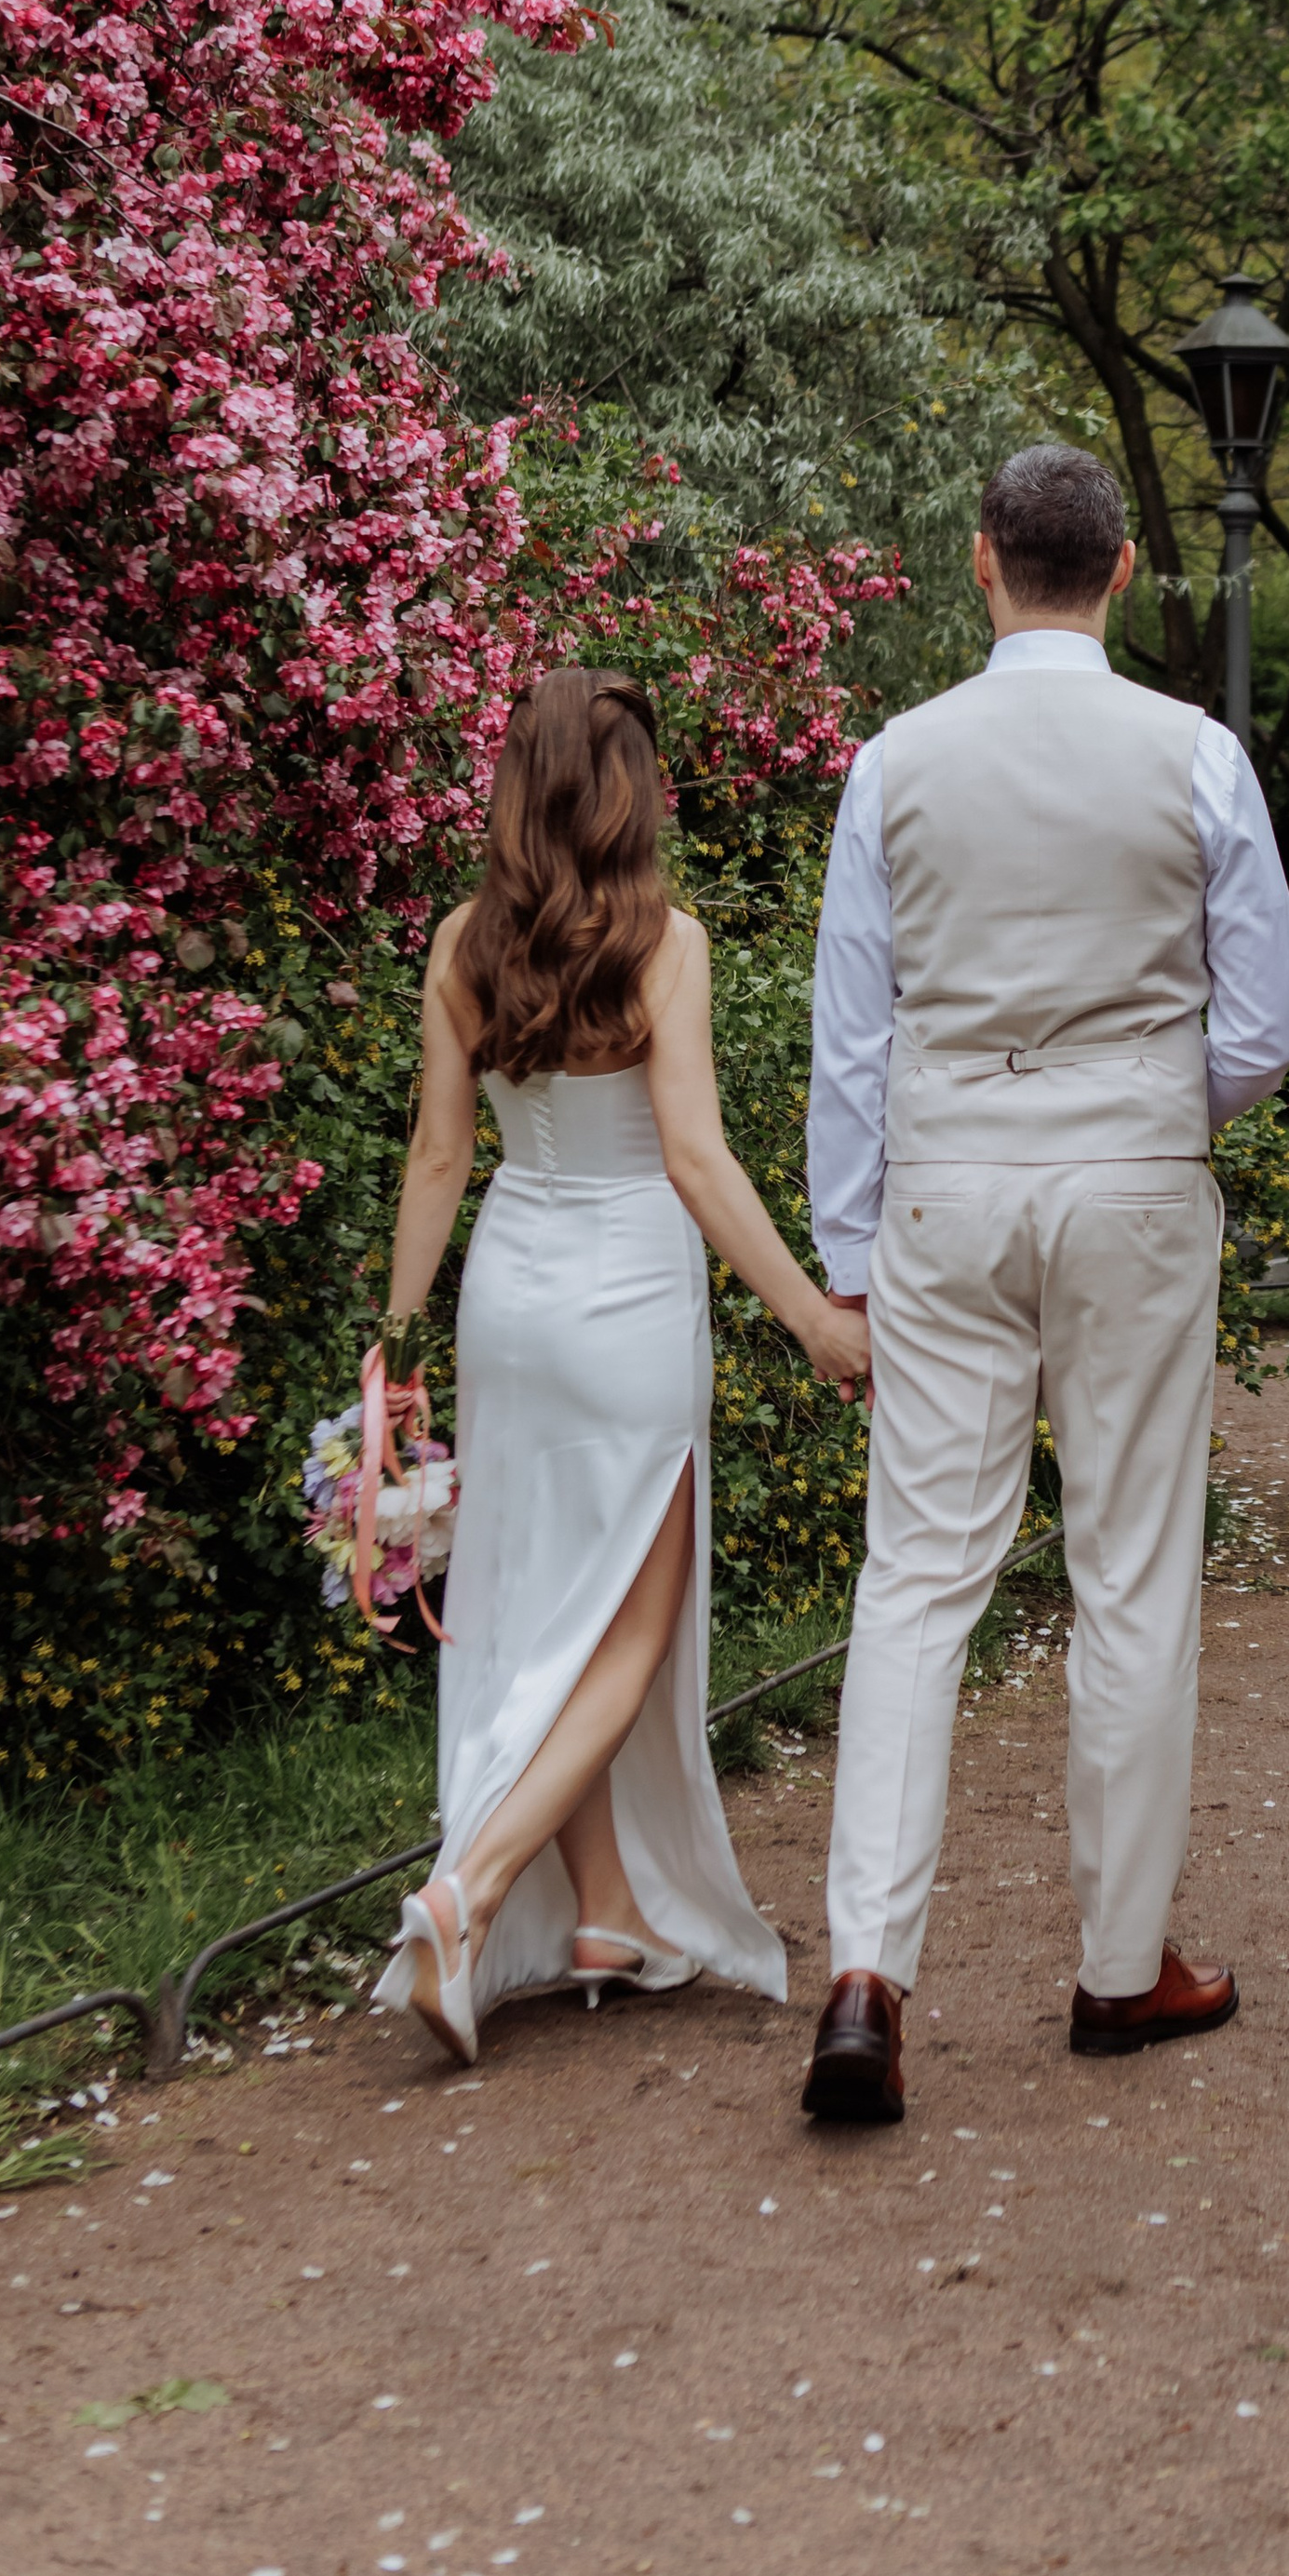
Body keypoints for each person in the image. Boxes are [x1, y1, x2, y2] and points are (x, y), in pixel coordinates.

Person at [799, 444, 1289, 2123]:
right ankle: (1119, 1966)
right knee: (1133, 1571)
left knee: (915, 1578)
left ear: (980, 561)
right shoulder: (1197, 754)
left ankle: (867, 1976)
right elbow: (1267, 1022)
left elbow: (853, 1036)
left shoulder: (894, 763)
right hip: (1135, 1191)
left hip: (944, 1189)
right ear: (1127, 568)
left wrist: (849, 1255)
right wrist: (1152, 1110)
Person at [371, 667, 871, 2068]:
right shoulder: (666, 941)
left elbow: (439, 1156)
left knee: (550, 1614)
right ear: (623, 794)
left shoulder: (464, 941)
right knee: (633, 1630)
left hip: (508, 1301)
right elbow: (695, 1160)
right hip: (628, 1302)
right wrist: (813, 1319)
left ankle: (606, 1912)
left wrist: (398, 1343)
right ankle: (467, 1896)